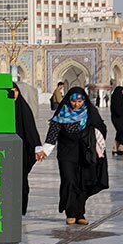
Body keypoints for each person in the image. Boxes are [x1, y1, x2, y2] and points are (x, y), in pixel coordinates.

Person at [35, 86, 108, 225]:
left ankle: (80, 212)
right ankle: (70, 212)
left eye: (80, 102)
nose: (76, 104)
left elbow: (102, 128)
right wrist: (44, 150)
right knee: (69, 180)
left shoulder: (90, 113)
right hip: (66, 153)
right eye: (74, 102)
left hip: (85, 153)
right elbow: (52, 135)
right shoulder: (61, 114)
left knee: (83, 181)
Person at [11, 83, 41, 215]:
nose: (13, 94)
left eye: (15, 91)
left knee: (21, 179)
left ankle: (20, 208)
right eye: (10, 91)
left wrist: (36, 148)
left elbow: (30, 130)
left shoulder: (23, 109)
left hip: (21, 150)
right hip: (4, 151)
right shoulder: (0, 109)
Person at [109, 85, 123, 156]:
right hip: (117, 118)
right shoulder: (116, 98)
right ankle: (121, 148)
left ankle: (115, 148)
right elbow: (117, 109)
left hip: (120, 118)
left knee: (120, 132)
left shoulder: (119, 97)